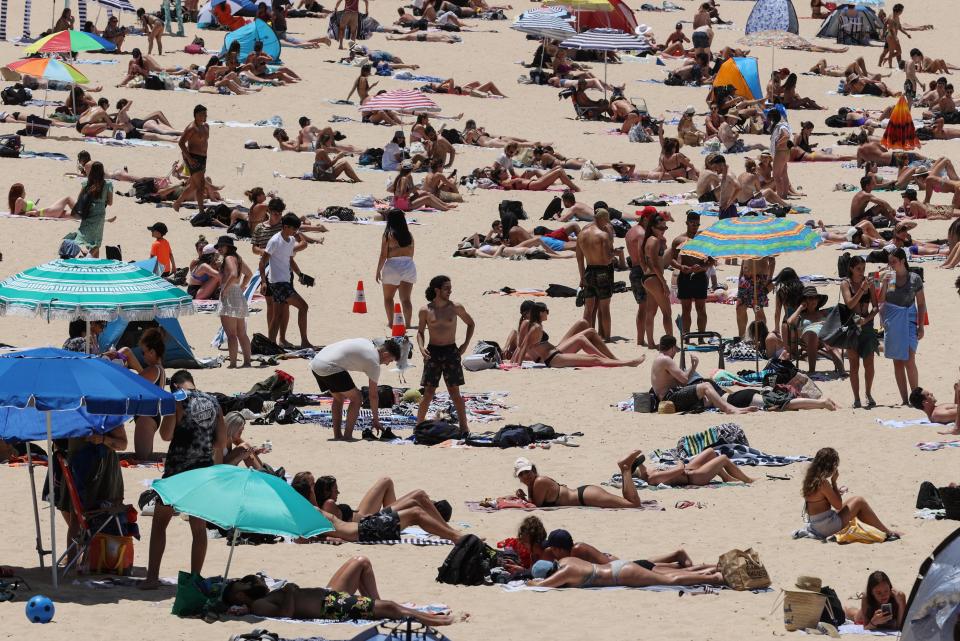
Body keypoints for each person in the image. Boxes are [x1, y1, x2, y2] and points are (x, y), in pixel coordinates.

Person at [140, 370, 226, 590]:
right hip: (203, 472)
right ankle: (195, 578)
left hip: (177, 471)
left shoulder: (177, 399)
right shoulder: (214, 402)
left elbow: (166, 435)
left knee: (160, 523)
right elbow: (220, 442)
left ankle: (152, 578)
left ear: (176, 385)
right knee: (198, 528)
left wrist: (171, 413)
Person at [222, 559, 457, 626]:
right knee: (392, 607)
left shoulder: (264, 594)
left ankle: (377, 607)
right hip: (330, 607)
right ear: (241, 597)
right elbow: (287, 616)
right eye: (242, 584)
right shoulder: (259, 606)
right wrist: (291, 594)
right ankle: (440, 621)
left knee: (360, 562)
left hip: (328, 595)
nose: (247, 581)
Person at [309, 337, 402, 440]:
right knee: (357, 398)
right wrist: (376, 420)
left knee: (339, 398)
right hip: (329, 366)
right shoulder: (374, 363)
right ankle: (348, 436)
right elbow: (373, 395)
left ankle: (338, 435)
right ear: (386, 354)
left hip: (316, 363)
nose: (387, 363)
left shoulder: (367, 342)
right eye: (390, 360)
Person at [415, 275, 474, 436]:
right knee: (428, 392)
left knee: (455, 392)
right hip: (432, 352)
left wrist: (465, 344)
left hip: (451, 352)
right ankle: (419, 426)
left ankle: (464, 427)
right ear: (437, 290)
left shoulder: (455, 307)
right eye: (446, 288)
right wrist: (421, 347)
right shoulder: (425, 310)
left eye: (450, 287)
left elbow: (471, 323)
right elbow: (420, 332)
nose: (450, 291)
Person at [802, 447, 899, 540]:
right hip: (826, 527)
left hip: (816, 524)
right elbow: (838, 505)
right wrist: (834, 483)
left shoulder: (811, 478)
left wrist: (835, 491)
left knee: (852, 501)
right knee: (859, 501)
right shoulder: (823, 483)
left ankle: (880, 531)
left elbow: (821, 499)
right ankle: (887, 532)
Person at [511, 302, 644, 368]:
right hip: (551, 358)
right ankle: (625, 363)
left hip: (554, 354)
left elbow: (523, 345)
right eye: (547, 311)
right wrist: (517, 365)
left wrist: (515, 362)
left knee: (594, 356)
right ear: (540, 313)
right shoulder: (533, 326)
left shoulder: (536, 325)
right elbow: (523, 346)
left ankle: (618, 361)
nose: (548, 313)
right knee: (594, 358)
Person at [651, 335, 757, 414]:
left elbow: (683, 381)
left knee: (708, 397)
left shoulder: (659, 359)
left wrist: (693, 366)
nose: (675, 353)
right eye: (676, 350)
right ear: (673, 348)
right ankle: (729, 409)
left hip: (667, 397)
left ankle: (731, 408)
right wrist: (693, 366)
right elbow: (684, 379)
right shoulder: (666, 359)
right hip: (669, 398)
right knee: (706, 385)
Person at [514, 452, 650, 509]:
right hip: (585, 494)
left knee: (633, 505)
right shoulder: (534, 484)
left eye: (527, 471)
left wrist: (523, 499)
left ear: (533, 470)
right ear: (518, 477)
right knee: (628, 502)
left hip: (585, 497)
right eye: (522, 474)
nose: (526, 476)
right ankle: (625, 468)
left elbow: (535, 506)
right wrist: (524, 496)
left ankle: (625, 468)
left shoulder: (539, 482)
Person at [259, 213, 314, 349]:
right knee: (303, 306)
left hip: (286, 281)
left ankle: (270, 344)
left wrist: (300, 274)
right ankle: (304, 341)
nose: (295, 231)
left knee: (277, 316)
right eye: (293, 229)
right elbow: (262, 261)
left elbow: (290, 260)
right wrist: (263, 281)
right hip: (278, 283)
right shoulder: (274, 241)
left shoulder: (290, 241)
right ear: (285, 226)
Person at [879, 248, 925, 405]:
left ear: (902, 261)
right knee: (897, 361)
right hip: (893, 321)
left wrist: (921, 326)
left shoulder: (914, 279)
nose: (891, 265)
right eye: (889, 262)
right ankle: (905, 400)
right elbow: (884, 300)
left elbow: (921, 303)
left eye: (893, 261)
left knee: (910, 359)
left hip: (909, 320)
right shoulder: (890, 279)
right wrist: (884, 283)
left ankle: (916, 397)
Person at [528, 556, 725, 589]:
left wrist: (531, 583)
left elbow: (544, 585)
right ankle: (712, 569)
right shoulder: (566, 561)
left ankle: (714, 577)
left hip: (620, 575)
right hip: (619, 566)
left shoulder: (566, 572)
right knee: (668, 576)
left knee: (670, 580)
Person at [314, 475, 449, 523]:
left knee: (386, 481)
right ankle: (439, 518)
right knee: (418, 494)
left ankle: (394, 511)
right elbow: (339, 528)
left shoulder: (325, 505)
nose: (338, 491)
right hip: (371, 521)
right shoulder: (329, 505)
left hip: (362, 514)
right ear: (326, 492)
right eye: (335, 489)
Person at [841, 256, 879, 408]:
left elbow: (876, 306)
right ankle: (856, 398)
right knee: (854, 366)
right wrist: (862, 288)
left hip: (867, 326)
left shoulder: (870, 281)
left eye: (863, 268)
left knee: (869, 364)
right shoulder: (845, 283)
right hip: (852, 327)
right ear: (851, 269)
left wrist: (867, 319)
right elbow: (850, 304)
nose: (861, 272)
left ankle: (868, 393)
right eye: (858, 269)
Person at [576, 209, 615, 340]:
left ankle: (587, 335)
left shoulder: (582, 234)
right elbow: (606, 259)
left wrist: (581, 276)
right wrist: (615, 254)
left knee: (588, 308)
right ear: (603, 219)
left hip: (588, 271)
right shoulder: (602, 235)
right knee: (605, 308)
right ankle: (607, 337)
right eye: (606, 220)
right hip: (602, 272)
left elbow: (579, 257)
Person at [787, 286, 843, 374]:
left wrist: (826, 324)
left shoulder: (823, 312)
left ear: (818, 300)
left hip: (823, 334)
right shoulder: (801, 315)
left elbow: (837, 319)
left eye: (815, 297)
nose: (813, 300)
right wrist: (801, 307)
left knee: (828, 339)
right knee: (813, 334)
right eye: (810, 298)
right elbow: (789, 322)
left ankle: (841, 370)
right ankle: (812, 370)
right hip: (808, 336)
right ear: (805, 300)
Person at [671, 212, 710, 335]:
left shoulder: (704, 239)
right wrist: (681, 267)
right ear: (687, 223)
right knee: (686, 309)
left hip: (700, 276)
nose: (695, 226)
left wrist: (703, 267)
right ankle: (686, 335)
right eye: (693, 223)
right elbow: (672, 259)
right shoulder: (679, 240)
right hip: (685, 276)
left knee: (701, 308)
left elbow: (712, 259)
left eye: (697, 224)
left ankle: (701, 336)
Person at [376, 209, 417, 330]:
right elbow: (412, 254)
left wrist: (378, 270)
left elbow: (383, 255)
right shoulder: (409, 235)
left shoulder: (388, 235)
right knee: (406, 299)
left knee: (388, 298)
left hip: (392, 266)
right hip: (408, 265)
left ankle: (391, 322)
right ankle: (408, 324)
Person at [216, 236, 252, 368]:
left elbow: (233, 273)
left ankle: (232, 363)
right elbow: (249, 274)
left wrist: (224, 289)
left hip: (230, 294)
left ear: (228, 247)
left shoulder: (228, 258)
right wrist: (241, 287)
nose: (219, 248)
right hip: (237, 293)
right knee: (241, 333)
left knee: (231, 334)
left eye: (222, 246)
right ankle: (247, 362)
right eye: (218, 246)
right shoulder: (238, 258)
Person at [632, 447, 755, 486]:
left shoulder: (650, 472)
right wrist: (678, 459)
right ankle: (748, 480)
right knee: (723, 459)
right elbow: (679, 469)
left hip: (688, 471)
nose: (643, 464)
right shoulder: (653, 477)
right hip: (694, 478)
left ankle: (726, 477)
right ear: (639, 472)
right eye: (640, 464)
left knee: (710, 452)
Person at [642, 213, 674, 346]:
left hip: (647, 278)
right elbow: (655, 265)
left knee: (650, 311)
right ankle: (670, 343)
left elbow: (645, 261)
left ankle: (650, 342)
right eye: (661, 228)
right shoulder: (654, 241)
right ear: (653, 228)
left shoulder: (649, 239)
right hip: (655, 278)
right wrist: (664, 283)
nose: (664, 230)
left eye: (665, 228)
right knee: (667, 312)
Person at [173, 105, 210, 213]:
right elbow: (181, 143)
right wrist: (189, 159)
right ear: (196, 115)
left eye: (206, 114)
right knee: (201, 185)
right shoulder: (192, 128)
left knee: (194, 185)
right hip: (194, 158)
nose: (205, 116)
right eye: (203, 114)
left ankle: (178, 202)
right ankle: (201, 211)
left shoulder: (206, 126)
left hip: (203, 158)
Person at [75, 162, 114, 258]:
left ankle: (93, 261)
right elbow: (110, 202)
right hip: (99, 214)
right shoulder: (108, 184)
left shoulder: (86, 183)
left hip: (87, 212)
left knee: (86, 240)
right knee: (96, 242)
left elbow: (79, 198)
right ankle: (88, 258)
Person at [736, 256, 775, 338]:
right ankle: (741, 337)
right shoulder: (746, 243)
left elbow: (772, 260)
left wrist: (769, 279)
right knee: (740, 308)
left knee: (757, 309)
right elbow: (744, 260)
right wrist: (740, 277)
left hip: (759, 280)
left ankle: (760, 337)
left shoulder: (764, 244)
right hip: (744, 281)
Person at [625, 215, 648, 347]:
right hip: (641, 270)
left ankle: (640, 339)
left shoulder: (630, 231)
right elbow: (641, 253)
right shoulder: (642, 233)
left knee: (642, 307)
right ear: (645, 219)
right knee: (645, 307)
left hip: (634, 269)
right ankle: (643, 339)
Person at [8, 183, 74, 218]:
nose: (25, 193)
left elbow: (18, 213)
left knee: (73, 215)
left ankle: (82, 215)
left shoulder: (19, 202)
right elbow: (16, 215)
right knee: (67, 198)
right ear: (19, 193)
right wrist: (30, 213)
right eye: (24, 191)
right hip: (43, 212)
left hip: (45, 213)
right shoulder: (19, 200)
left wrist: (30, 211)